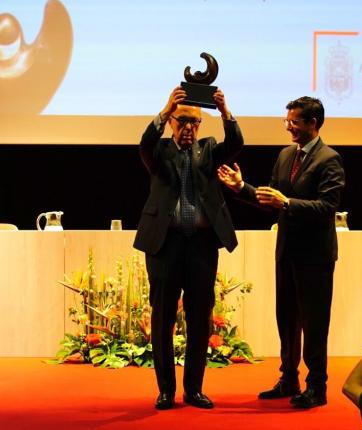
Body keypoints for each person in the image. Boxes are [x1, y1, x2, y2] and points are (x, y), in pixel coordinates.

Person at [217, 96, 344, 408]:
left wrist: (287, 203)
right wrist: (240, 186)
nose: (289, 128)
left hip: (315, 257)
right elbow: (269, 198)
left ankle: (317, 386)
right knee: (286, 319)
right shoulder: (287, 155)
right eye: (287, 121)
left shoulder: (329, 159)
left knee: (314, 323)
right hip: (286, 251)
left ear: (313, 123)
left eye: (295, 122)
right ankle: (288, 378)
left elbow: (328, 207)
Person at [134, 86, 243, 410]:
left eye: (194, 123)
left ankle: (193, 389)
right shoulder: (159, 151)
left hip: (201, 247)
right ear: (171, 122)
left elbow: (235, 144)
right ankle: (166, 389)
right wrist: (167, 107)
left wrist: (225, 112)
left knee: (200, 319)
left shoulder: (208, 150)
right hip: (164, 245)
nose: (188, 128)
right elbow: (144, 143)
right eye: (182, 121)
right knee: (163, 317)